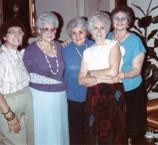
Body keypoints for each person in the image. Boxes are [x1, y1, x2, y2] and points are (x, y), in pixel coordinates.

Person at [78, 12, 126, 145]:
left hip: (112, 94)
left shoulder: (113, 45)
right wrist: (100, 79)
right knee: (93, 132)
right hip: (93, 96)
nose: (99, 31)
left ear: (107, 29)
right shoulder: (87, 52)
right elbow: (81, 80)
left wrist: (91, 73)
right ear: (91, 31)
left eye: (102, 27)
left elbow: (113, 71)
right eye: (95, 28)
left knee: (113, 133)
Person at [23, 12, 69, 145]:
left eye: (53, 29)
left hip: (59, 96)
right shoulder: (30, 50)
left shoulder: (60, 46)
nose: (50, 32)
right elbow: (24, 76)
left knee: (58, 130)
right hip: (40, 97)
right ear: (38, 30)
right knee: (44, 131)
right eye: (45, 29)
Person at [107, 6, 147, 145]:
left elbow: (136, 70)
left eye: (123, 18)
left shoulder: (135, 40)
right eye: (116, 18)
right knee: (112, 126)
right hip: (110, 88)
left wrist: (120, 75)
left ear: (129, 22)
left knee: (130, 128)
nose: (119, 21)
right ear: (111, 21)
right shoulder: (106, 37)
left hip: (131, 90)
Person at [0, 20, 34, 145]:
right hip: (8, 105)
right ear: (4, 36)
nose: (17, 35)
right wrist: (9, 115)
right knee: (13, 141)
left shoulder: (19, 54)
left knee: (28, 140)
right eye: (12, 32)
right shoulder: (1, 58)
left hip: (25, 101)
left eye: (20, 32)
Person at [62, 17, 94, 145]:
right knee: (75, 132)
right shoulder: (64, 48)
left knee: (91, 129)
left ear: (87, 32)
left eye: (80, 32)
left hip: (92, 94)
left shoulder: (95, 45)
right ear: (70, 34)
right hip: (72, 96)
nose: (77, 36)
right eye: (73, 33)